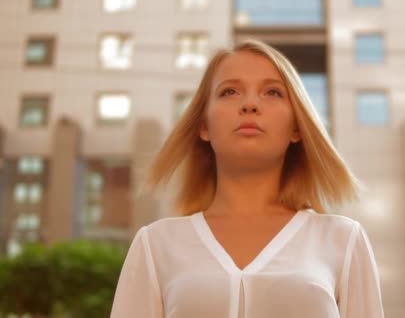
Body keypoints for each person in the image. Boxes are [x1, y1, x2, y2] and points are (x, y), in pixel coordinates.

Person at [110, 39, 385, 318]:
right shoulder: (156, 245)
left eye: (273, 92)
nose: (250, 104)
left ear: (297, 128)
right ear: (203, 126)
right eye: (229, 91)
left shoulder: (344, 240)